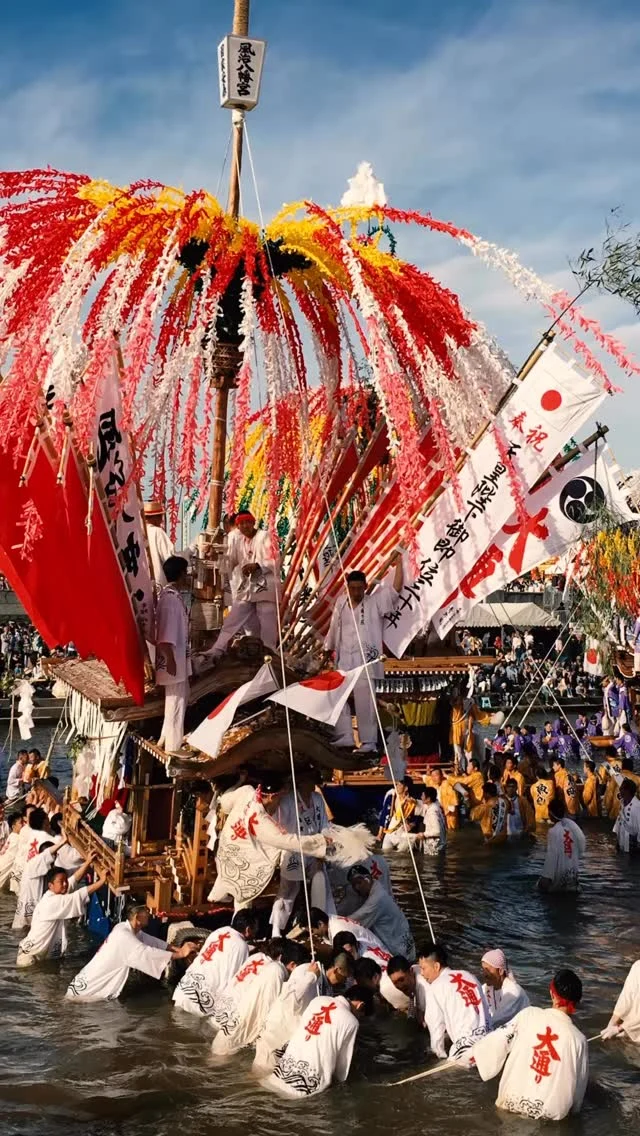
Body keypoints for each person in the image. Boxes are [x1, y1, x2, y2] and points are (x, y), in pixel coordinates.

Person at [470, 969, 588, 1121]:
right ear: (577, 1002)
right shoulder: (578, 1040)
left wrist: (475, 1053)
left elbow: (496, 1041)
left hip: (511, 1103)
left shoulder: (529, 1014)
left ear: (552, 993)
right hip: (547, 1117)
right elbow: (578, 1092)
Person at [210, 776, 327, 910]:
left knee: (229, 876)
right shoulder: (260, 820)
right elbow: (286, 841)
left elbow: (225, 803)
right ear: (272, 797)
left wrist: (239, 781)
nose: (279, 804)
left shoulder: (246, 791)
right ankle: (240, 918)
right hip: (244, 859)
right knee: (243, 899)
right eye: (279, 799)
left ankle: (219, 891)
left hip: (227, 849)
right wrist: (320, 843)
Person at [323, 557, 403, 752]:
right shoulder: (341, 603)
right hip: (344, 659)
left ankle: (368, 742)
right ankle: (345, 736)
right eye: (353, 588)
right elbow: (333, 628)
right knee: (338, 696)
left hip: (365, 661)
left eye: (360, 588)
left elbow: (395, 590)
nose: (356, 592)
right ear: (347, 588)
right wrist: (327, 650)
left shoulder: (374, 602)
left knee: (365, 701)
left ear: (366, 587)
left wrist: (400, 563)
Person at [66, 904, 196, 1001]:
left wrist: (179, 949)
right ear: (137, 917)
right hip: (87, 991)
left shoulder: (124, 927)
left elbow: (152, 942)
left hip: (83, 983)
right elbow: (147, 954)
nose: (149, 914)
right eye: (146, 912)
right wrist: (181, 954)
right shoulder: (124, 937)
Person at [265, 985, 373, 1098]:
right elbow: (341, 1071)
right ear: (361, 1005)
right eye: (361, 1015)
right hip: (303, 1092)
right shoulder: (351, 1022)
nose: (358, 1017)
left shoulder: (318, 1000)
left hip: (276, 1077)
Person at [208, 511, 280, 658]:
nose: (245, 526)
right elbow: (230, 563)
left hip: (265, 587)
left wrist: (257, 565)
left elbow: (276, 559)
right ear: (238, 526)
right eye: (241, 523)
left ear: (253, 522)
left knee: (267, 619)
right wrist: (218, 556)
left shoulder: (265, 536)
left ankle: (269, 654)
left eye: (248, 522)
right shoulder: (239, 541)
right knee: (232, 620)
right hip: (246, 589)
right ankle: (217, 650)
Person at [211, 938, 298, 1058]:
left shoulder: (256, 957)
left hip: (218, 1016)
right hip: (233, 1019)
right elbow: (267, 1004)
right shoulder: (274, 970)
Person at [271, 773, 330, 935]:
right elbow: (277, 823)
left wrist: (322, 850)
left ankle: (319, 926)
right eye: (310, 779)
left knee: (320, 882)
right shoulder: (288, 800)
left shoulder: (317, 798)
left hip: (315, 848)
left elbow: (324, 825)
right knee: (288, 891)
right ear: (301, 781)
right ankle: (276, 929)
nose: (313, 784)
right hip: (294, 849)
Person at [172, 908, 259, 1017]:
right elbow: (235, 980)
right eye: (255, 929)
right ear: (248, 929)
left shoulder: (219, 931)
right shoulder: (241, 946)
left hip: (183, 990)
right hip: (200, 1003)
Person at [16, 862, 105, 967]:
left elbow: (73, 881)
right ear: (50, 885)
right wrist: (101, 881)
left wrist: (88, 862)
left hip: (35, 952)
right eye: (61, 882)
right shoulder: (52, 902)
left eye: (65, 880)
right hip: (30, 956)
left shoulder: (54, 895)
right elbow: (79, 895)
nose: (65, 884)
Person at [417, 942, 491, 1060]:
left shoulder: (435, 987)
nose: (421, 973)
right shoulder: (469, 975)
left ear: (436, 966)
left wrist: (439, 1055)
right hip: (490, 1040)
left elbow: (436, 1027)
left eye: (423, 968)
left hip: (465, 1049)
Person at [253, 951, 319, 1072]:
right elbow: (293, 1000)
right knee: (262, 1071)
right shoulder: (299, 977)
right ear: (293, 965)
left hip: (271, 1035)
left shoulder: (286, 981)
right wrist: (311, 976)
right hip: (272, 1039)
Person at [155, 555, 192, 754]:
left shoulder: (171, 597)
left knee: (176, 699)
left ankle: (165, 738)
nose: (187, 576)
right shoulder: (170, 600)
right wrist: (170, 659)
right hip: (173, 657)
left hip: (176, 656)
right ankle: (174, 746)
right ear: (180, 574)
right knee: (177, 701)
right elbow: (166, 632)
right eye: (185, 572)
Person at [347, 865, 415, 959]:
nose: (357, 888)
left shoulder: (377, 899)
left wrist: (334, 920)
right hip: (404, 943)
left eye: (359, 882)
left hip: (399, 951)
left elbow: (355, 920)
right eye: (353, 885)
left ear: (368, 879)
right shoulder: (378, 888)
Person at [538, 800, 586, 892]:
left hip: (557, 886)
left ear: (550, 814)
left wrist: (545, 879)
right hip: (573, 878)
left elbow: (551, 858)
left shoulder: (553, 832)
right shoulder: (573, 826)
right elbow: (582, 846)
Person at [481, 948, 530, 1026]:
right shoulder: (485, 988)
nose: (484, 974)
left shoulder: (513, 992)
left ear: (500, 971)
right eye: (483, 970)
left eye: (487, 970)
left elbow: (498, 1020)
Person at [602, 958, 640, 1044]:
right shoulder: (638, 966)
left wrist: (619, 1028)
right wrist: (612, 1022)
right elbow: (626, 997)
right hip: (629, 1030)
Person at [379, 777, 418, 851]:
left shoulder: (412, 802)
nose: (396, 786)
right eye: (396, 784)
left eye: (399, 785)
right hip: (390, 831)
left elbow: (417, 818)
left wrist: (411, 825)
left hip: (403, 832)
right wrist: (380, 833)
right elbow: (384, 815)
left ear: (406, 788)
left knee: (401, 855)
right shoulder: (391, 797)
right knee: (386, 852)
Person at [143, 501, 175, 587]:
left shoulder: (139, 533)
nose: (161, 520)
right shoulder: (157, 532)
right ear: (155, 518)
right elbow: (170, 558)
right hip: (158, 585)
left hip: (142, 584)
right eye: (160, 516)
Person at [613, 778, 640, 853]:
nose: (620, 790)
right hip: (622, 843)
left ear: (628, 791)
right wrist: (617, 843)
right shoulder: (622, 803)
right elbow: (619, 824)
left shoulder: (637, 806)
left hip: (633, 846)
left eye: (622, 788)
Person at [418, 786, 447, 854]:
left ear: (428, 799)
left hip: (434, 847)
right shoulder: (435, 806)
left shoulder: (432, 812)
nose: (421, 797)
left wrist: (423, 834)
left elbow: (437, 831)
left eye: (423, 796)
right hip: (438, 845)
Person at [0, 811, 23, 889]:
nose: (23, 825)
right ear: (13, 826)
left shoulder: (12, 835)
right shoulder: (18, 839)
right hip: (4, 868)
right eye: (21, 823)